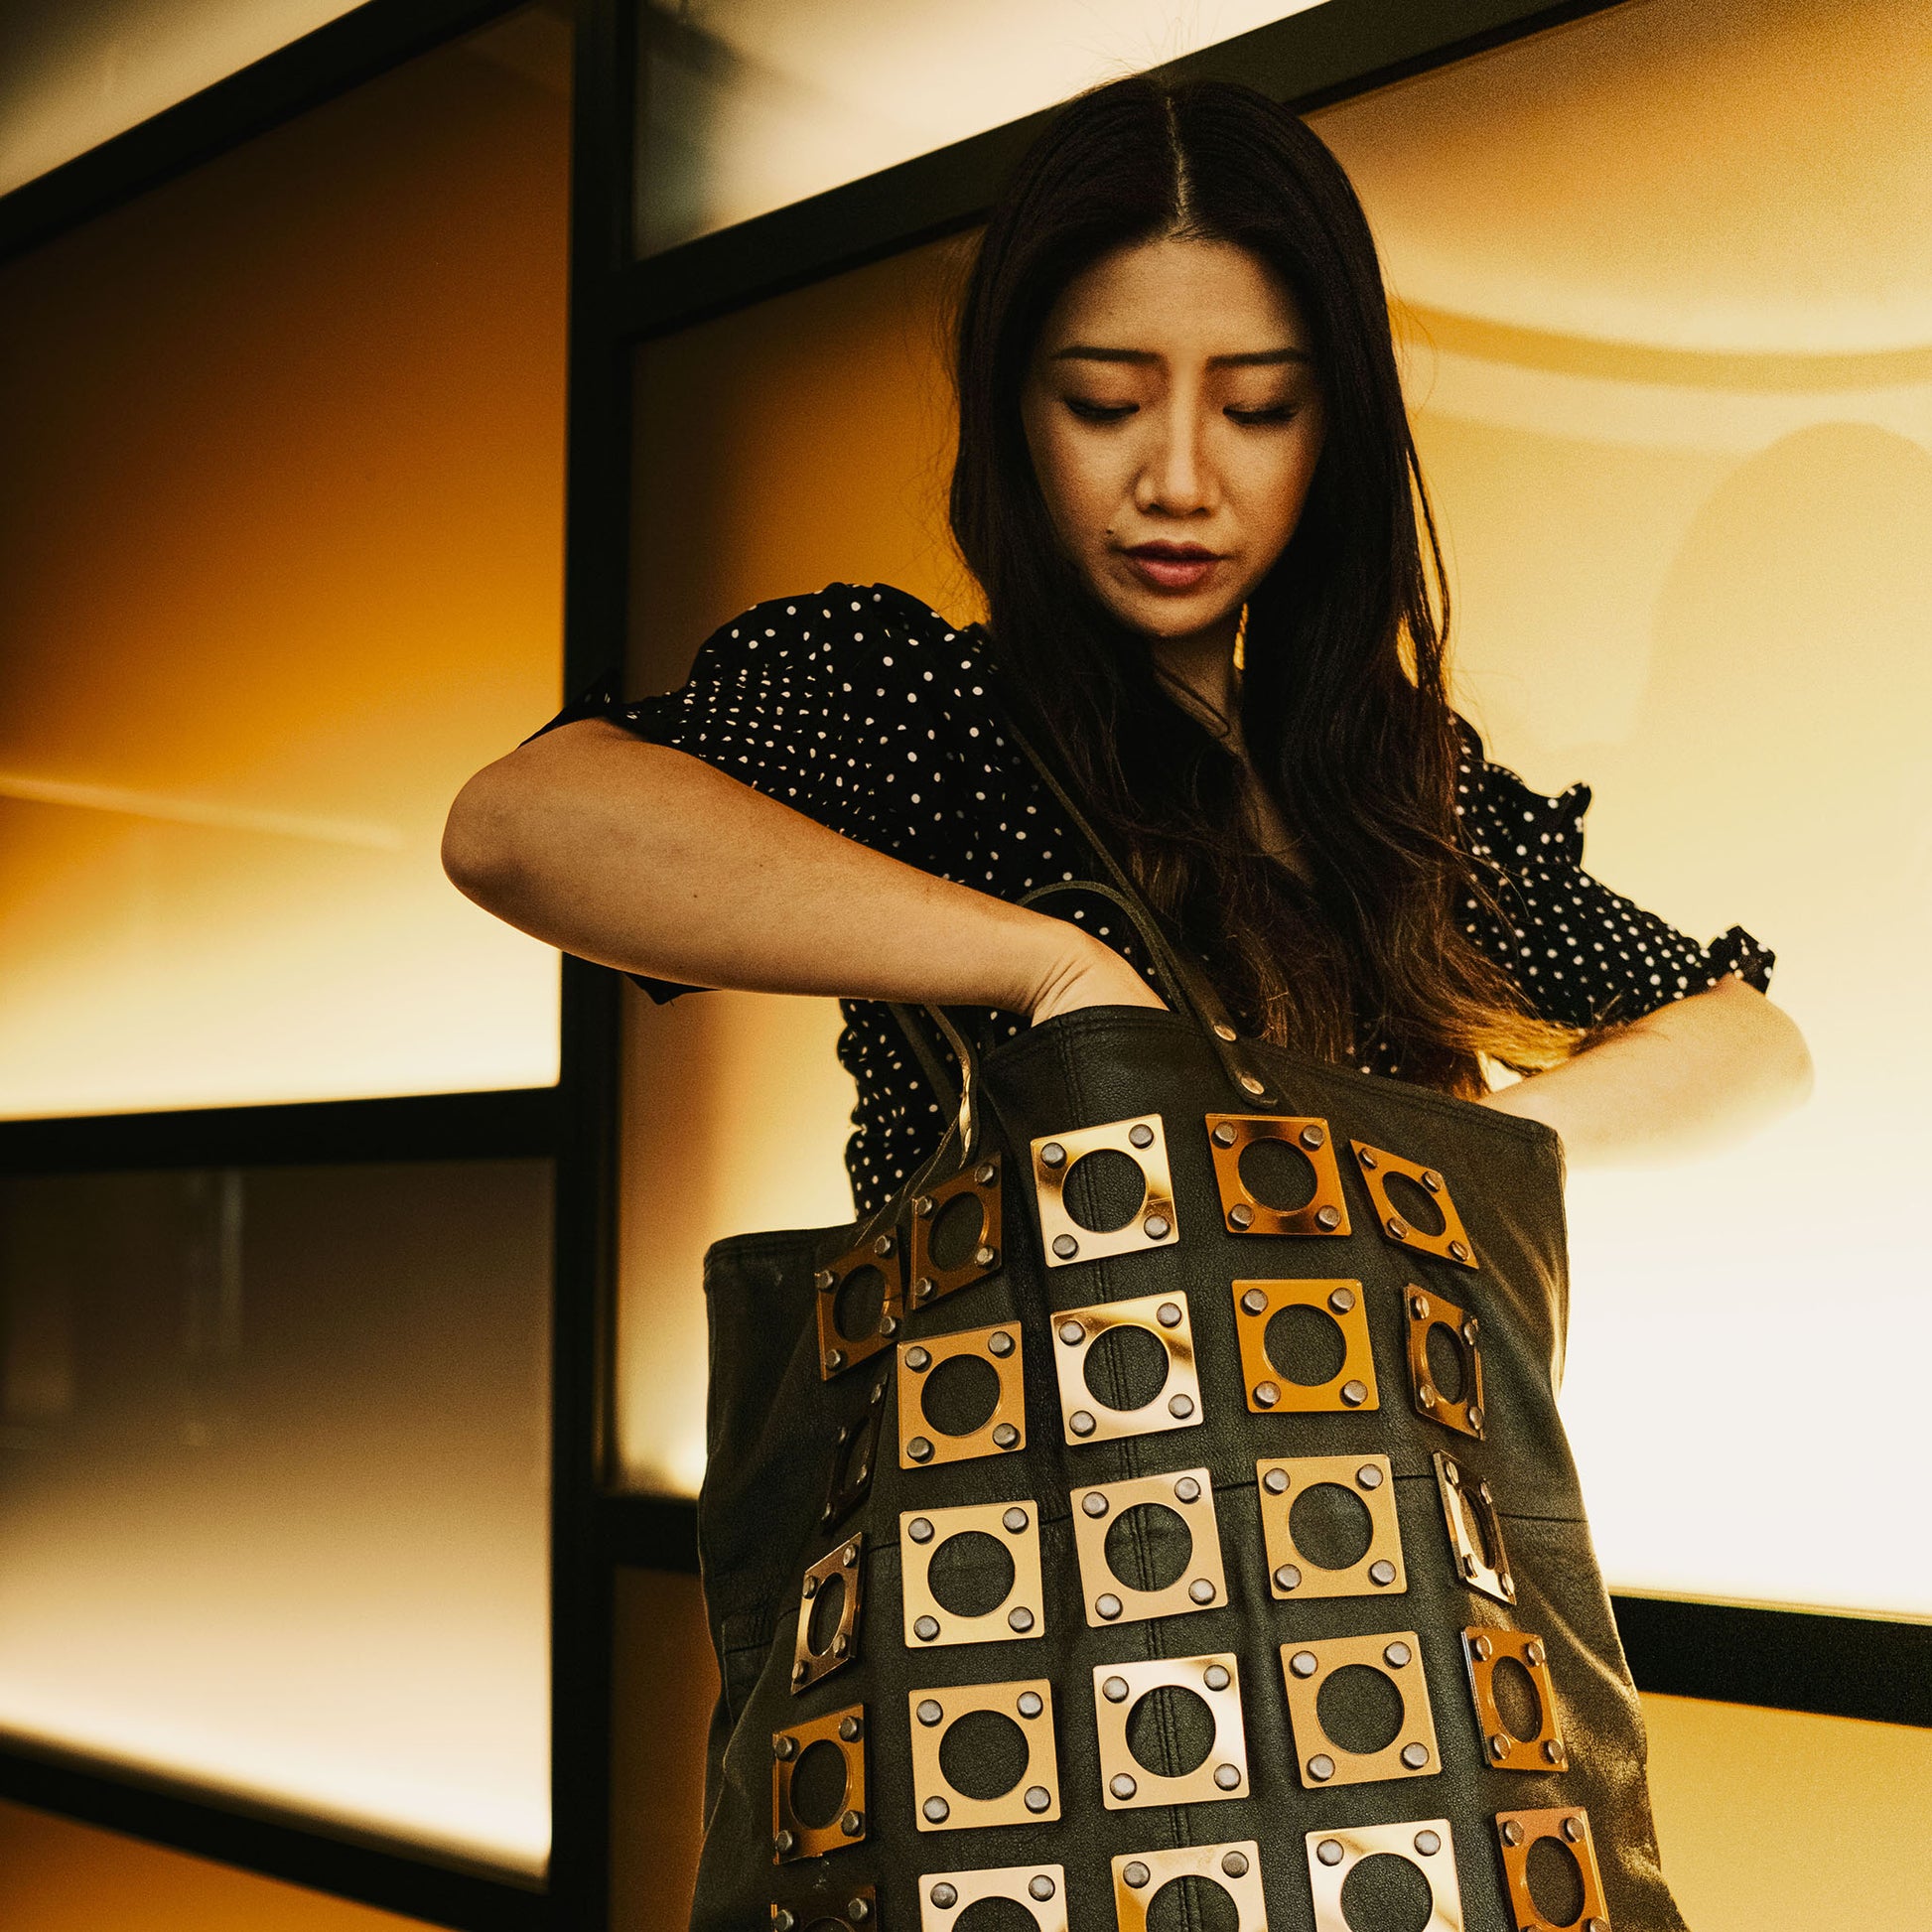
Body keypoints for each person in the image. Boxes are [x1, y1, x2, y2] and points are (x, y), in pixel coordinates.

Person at [441, 75, 1810, 1218]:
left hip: (1365, 1475)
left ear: (1332, 432)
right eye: (1104, 403)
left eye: (1256, 408)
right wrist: (1051, 968)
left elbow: (1749, 1043)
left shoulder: (1389, 778)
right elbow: (521, 824)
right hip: (1005, 1464)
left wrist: (1443, 1153)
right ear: (1015, 413)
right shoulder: (925, 707)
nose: (1178, 482)